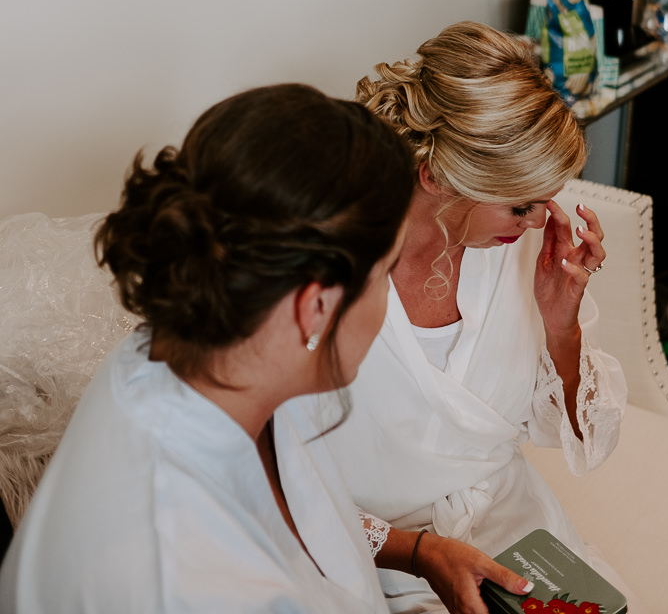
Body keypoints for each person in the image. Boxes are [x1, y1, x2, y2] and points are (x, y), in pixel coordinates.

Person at [0, 83, 536, 614]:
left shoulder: (213, 356)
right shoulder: (185, 579)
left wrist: (422, 552)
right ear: (316, 308)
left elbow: (308, 514)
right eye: (384, 275)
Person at [290, 24, 629, 613]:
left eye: (545, 200)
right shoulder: (325, 273)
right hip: (368, 559)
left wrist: (560, 324)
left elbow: (581, 436)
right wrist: (420, 553)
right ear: (436, 175)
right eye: (519, 204)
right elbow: (275, 487)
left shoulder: (523, 254)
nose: (537, 223)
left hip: (514, 533)